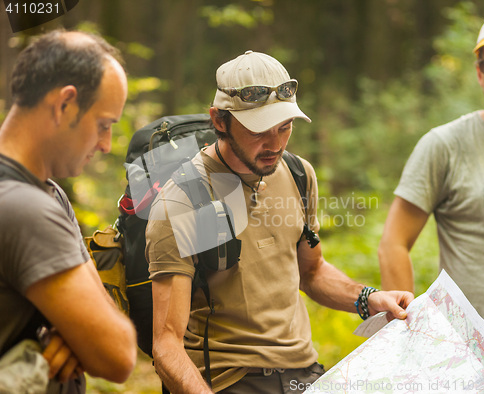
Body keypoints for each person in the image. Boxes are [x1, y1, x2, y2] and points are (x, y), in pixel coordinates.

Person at [146, 50, 414, 394]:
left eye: (284, 127)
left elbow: (312, 272)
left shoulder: (299, 173)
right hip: (230, 378)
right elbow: (166, 345)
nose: (274, 144)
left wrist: (369, 299)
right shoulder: (182, 201)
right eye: (258, 131)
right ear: (219, 121)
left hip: (304, 372)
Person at [0, 30, 137, 392]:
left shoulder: (49, 195)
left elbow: (103, 317)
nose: (106, 144)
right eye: (103, 125)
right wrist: (86, 337)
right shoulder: (22, 208)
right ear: (65, 104)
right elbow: (118, 353)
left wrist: (81, 333)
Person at [378, 15, 484, 331]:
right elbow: (394, 242)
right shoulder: (444, 145)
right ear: (479, 72)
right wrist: (409, 331)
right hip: (471, 357)